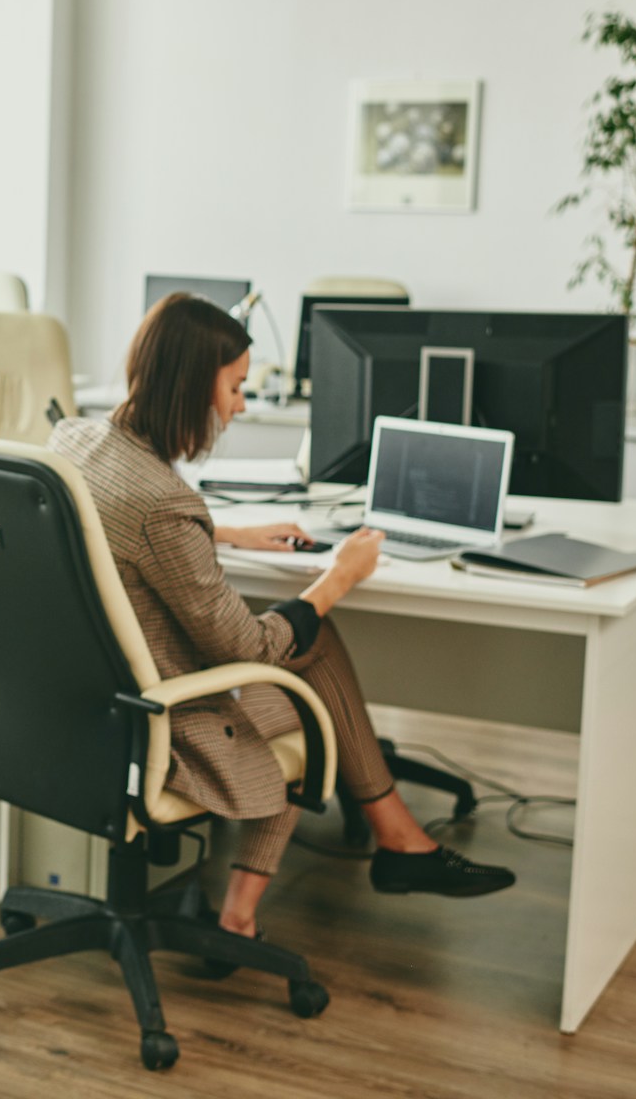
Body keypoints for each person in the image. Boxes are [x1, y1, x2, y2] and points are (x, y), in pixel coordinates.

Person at [48, 293, 514, 946]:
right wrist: (337, 579)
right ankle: (249, 912)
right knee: (309, 695)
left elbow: (119, 535)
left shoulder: (77, 439)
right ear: (191, 387)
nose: (242, 404)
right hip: (161, 722)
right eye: (236, 387)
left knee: (312, 649)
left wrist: (223, 532)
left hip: (74, 708)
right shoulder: (164, 502)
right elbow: (249, 646)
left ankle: (395, 838)